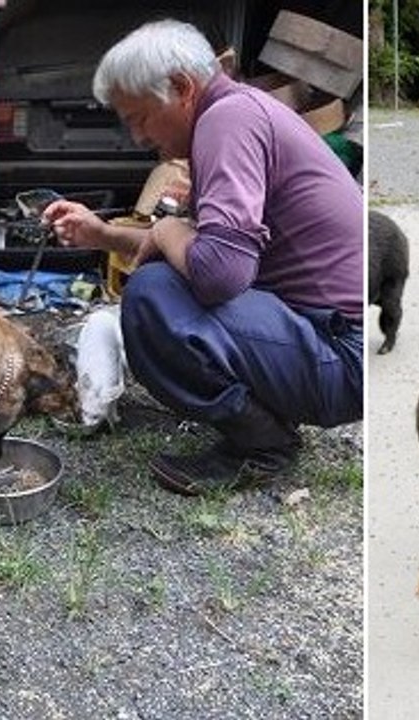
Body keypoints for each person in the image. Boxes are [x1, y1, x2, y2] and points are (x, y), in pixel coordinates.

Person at [41, 19, 363, 496]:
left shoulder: (227, 121)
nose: (136, 136)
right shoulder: (238, 114)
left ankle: (263, 446)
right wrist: (103, 234)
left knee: (150, 296)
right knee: (163, 277)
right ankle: (266, 424)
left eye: (139, 116)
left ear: (180, 87)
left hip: (340, 357)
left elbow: (218, 274)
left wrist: (169, 229)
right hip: (321, 339)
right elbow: (195, 246)